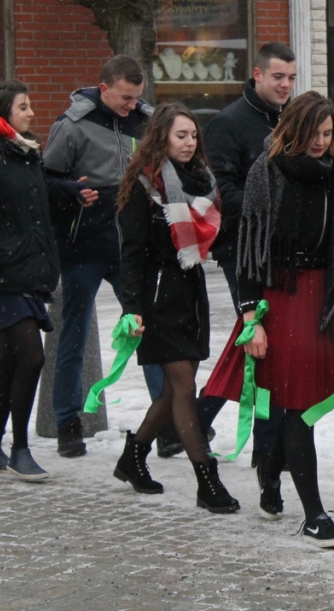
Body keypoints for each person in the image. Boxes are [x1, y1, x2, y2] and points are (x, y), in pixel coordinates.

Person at [203, 92, 334, 542]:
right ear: (294, 130)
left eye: (328, 133)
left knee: (303, 406)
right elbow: (249, 250)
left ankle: (271, 467)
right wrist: (249, 316)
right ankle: (315, 516)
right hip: (280, 297)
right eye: (314, 133)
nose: (321, 142)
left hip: (321, 302)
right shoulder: (266, 173)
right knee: (297, 411)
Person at [112, 102, 239, 513]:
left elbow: (215, 237)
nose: (189, 143)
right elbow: (131, 253)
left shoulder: (203, 182)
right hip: (156, 297)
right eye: (180, 135)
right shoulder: (144, 184)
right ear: (161, 137)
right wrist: (131, 307)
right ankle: (207, 479)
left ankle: (133, 457)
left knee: (172, 391)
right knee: (184, 388)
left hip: (190, 293)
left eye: (193, 136)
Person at [43, 55, 166, 459]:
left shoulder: (147, 122)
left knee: (147, 330)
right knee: (73, 333)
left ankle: (166, 421)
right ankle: (67, 422)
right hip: (83, 246)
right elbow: (46, 180)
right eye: (125, 98)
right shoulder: (72, 125)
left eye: (137, 97)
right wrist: (70, 191)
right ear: (104, 89)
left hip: (131, 246)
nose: (132, 105)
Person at [196, 42, 297, 468]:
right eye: (278, 77)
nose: (286, 85)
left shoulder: (290, 119)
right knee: (260, 341)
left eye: (291, 78)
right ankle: (263, 446)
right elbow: (222, 190)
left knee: (257, 343)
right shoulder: (228, 122)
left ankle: (193, 421)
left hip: (282, 250)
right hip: (241, 249)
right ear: (257, 75)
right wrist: (273, 214)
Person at [0, 80, 63, 478]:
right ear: (3, 113)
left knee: (10, 362)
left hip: (30, 270)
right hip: (3, 274)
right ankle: (20, 449)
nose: (32, 113)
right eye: (23, 107)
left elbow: (37, 210)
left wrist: (69, 194)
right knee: (32, 357)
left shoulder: (26, 151)